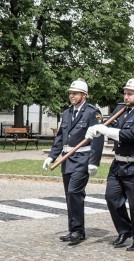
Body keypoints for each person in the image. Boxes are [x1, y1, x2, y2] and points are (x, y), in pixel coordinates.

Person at [86, 77, 134, 251]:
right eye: (125, 93)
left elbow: (130, 135)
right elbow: (107, 126)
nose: (126, 96)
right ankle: (125, 229)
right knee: (112, 198)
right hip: (118, 164)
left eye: (130, 94)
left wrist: (106, 130)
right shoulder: (120, 109)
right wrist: (95, 129)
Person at [42, 78, 104, 243]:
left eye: (75, 93)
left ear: (84, 95)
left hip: (83, 158)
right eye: (70, 93)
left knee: (74, 192)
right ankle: (75, 230)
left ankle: (77, 231)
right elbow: (60, 137)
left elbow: (98, 139)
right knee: (70, 196)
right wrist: (51, 156)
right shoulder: (67, 113)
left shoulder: (92, 112)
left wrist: (94, 161)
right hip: (67, 159)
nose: (72, 95)